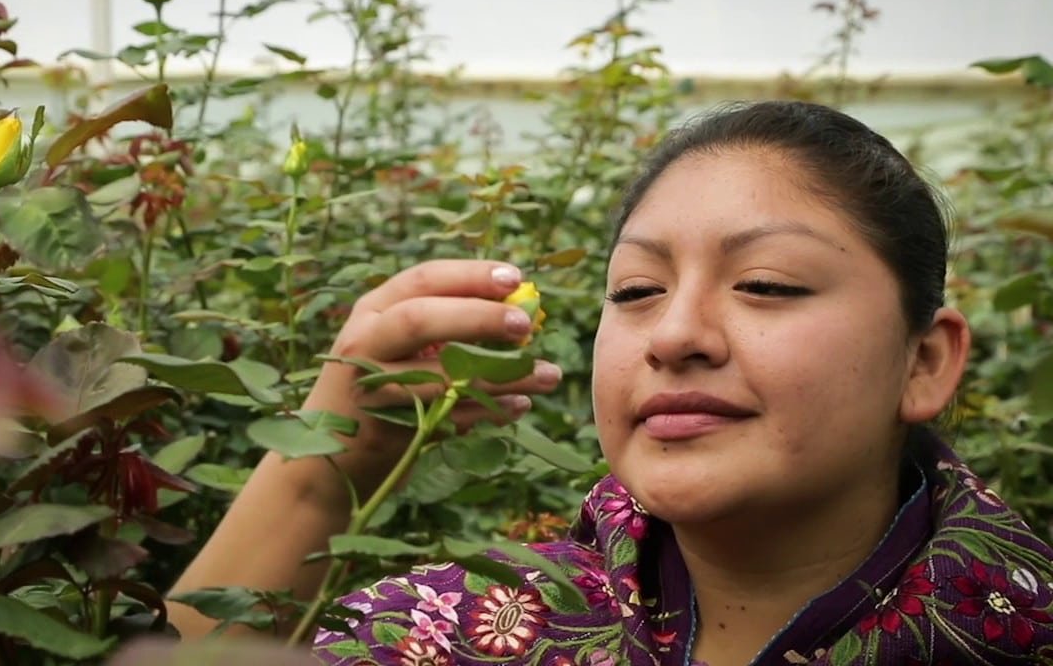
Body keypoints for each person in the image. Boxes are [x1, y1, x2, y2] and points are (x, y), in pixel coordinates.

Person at [166, 101, 1053, 665]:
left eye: (767, 284)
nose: (672, 333)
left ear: (925, 359)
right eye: (636, 291)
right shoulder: (459, 632)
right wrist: (328, 465)